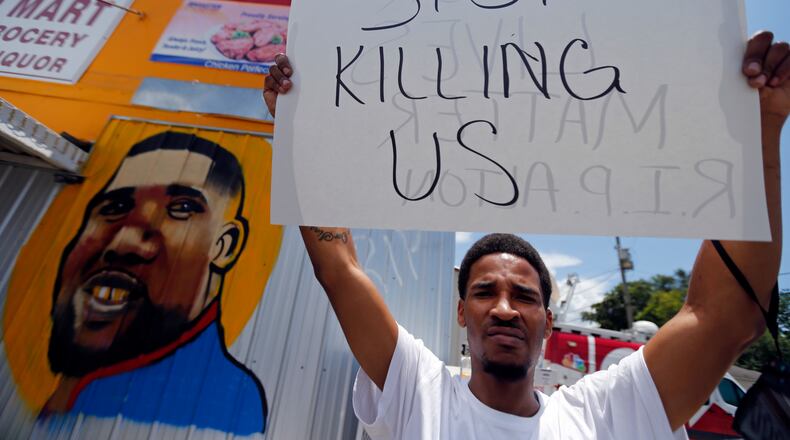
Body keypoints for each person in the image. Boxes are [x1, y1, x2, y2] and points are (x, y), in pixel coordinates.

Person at [263, 31, 789, 438]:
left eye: (525, 296)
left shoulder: (607, 414)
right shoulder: (419, 394)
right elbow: (339, 271)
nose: (505, 309)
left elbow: (725, 317)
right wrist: (301, 133)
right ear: (461, 312)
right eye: (484, 292)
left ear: (549, 320)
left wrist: (762, 127)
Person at [42, 131, 267, 435]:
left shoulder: (229, 405)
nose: (124, 241)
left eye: (181, 209)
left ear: (224, 246)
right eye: (114, 208)